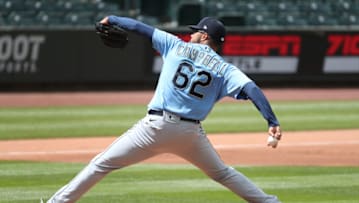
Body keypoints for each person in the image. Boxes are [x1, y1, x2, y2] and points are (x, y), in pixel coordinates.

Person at [45, 16, 282, 203]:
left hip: (155, 128)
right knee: (223, 174)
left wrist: (113, 19)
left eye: (195, 31)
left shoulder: (174, 45)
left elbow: (139, 27)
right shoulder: (226, 69)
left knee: (102, 164)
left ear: (203, 35)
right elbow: (252, 89)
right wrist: (271, 121)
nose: (191, 34)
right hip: (190, 135)